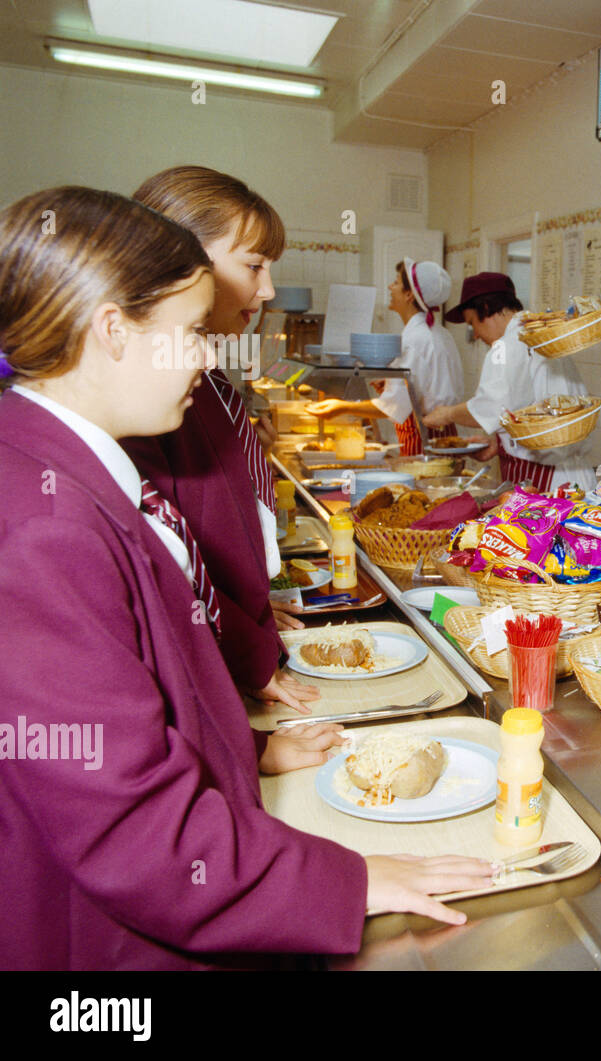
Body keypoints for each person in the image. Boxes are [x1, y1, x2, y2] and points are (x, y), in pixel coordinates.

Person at [0, 187, 494, 970]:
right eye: (191, 332)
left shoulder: (70, 471)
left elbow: (146, 702)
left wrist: (244, 755)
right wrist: (346, 881)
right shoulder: (41, 528)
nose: (208, 353)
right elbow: (135, 830)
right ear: (111, 331)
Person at [124, 165, 316, 715]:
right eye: (253, 265)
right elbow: (174, 555)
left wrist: (249, 612)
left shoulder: (201, 370)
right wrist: (241, 640)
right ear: (178, 257)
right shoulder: (154, 393)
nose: (269, 288)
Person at [422, 272, 595, 492]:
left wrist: (446, 414)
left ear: (485, 308)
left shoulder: (508, 345)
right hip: (568, 474)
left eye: (472, 323)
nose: (474, 334)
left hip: (545, 479)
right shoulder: (537, 333)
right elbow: (528, 404)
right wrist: (501, 443)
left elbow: (491, 407)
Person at [307, 259, 464, 456]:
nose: (390, 287)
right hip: (444, 435)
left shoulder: (414, 338)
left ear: (409, 294)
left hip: (424, 439)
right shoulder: (439, 333)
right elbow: (426, 385)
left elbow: (393, 405)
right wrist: (391, 382)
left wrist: (341, 407)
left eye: (396, 282)